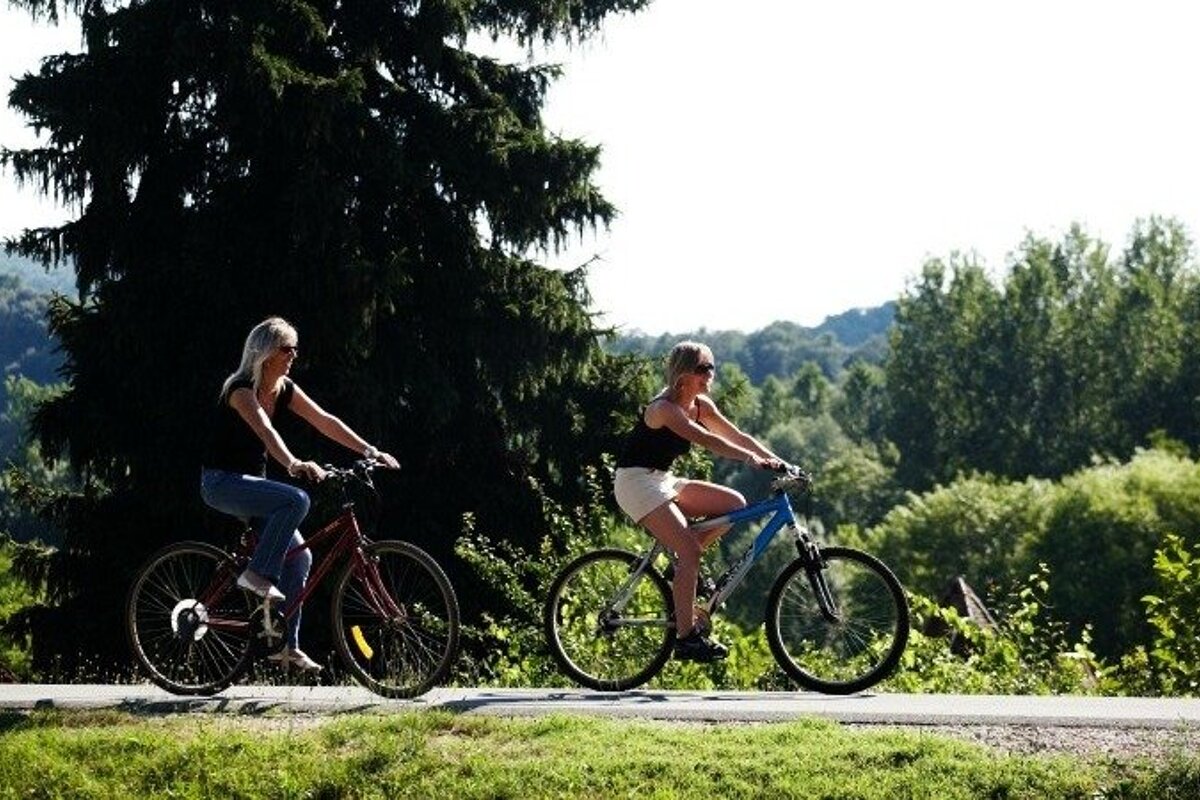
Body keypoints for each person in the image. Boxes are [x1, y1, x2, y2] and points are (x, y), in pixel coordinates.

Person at [200, 316, 399, 672]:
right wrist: (293, 464)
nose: (294, 355)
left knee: (300, 558)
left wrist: (370, 452)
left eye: (294, 349)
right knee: (296, 499)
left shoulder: (284, 388)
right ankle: (257, 576)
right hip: (222, 483)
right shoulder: (241, 389)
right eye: (287, 349)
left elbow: (324, 420)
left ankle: (286, 647)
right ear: (266, 353)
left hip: (251, 486)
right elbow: (264, 430)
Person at [614, 341, 787, 662]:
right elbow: (706, 439)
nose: (710, 374)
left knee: (735, 505)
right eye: (703, 368)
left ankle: (681, 564)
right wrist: (750, 460)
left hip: (662, 480)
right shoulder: (664, 409)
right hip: (635, 482)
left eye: (712, 367)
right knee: (690, 550)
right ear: (683, 375)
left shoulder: (700, 404)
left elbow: (737, 436)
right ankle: (685, 637)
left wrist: (780, 462)